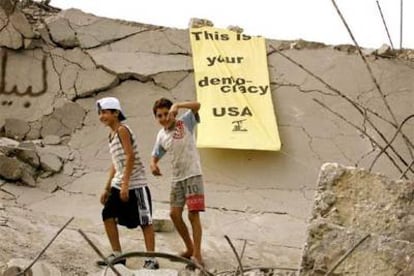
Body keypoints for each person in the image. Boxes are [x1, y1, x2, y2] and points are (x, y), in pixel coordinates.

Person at [96, 96, 159, 269]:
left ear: (116, 113)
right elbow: (116, 163)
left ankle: (151, 259)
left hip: (136, 184)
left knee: (145, 221)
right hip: (119, 183)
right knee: (107, 214)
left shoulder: (123, 130)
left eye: (105, 112)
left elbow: (130, 156)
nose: (101, 116)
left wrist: (126, 184)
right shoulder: (111, 135)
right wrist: (107, 187)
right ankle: (118, 254)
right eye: (100, 113)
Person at [150, 97, 205, 266]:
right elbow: (156, 153)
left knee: (193, 215)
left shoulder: (184, 122)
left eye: (167, 113)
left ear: (172, 113)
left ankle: (197, 255)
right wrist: (153, 164)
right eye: (160, 116)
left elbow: (198, 105)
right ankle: (189, 249)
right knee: (174, 215)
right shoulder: (161, 134)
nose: (164, 118)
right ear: (156, 118)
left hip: (193, 174)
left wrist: (178, 105)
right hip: (177, 178)